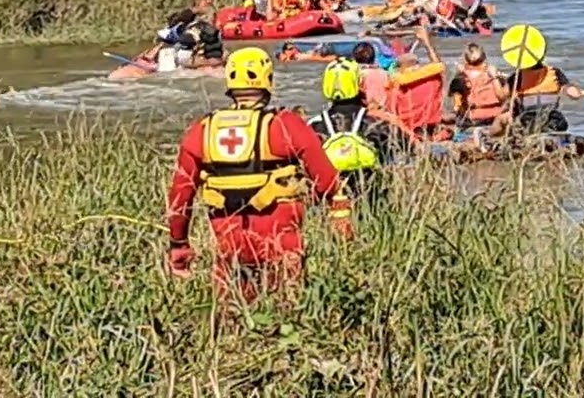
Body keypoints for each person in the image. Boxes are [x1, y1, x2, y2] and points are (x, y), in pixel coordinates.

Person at [165, 47, 354, 303]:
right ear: (268, 81)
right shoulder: (285, 124)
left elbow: (180, 195)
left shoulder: (202, 130)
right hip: (280, 237)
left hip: (228, 239)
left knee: (229, 310)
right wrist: (332, 210)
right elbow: (327, 179)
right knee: (287, 306)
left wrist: (179, 244)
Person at [308, 59, 412, 206]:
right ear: (359, 85)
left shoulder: (313, 126)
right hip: (372, 204)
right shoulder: (376, 123)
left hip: (329, 204)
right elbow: (409, 148)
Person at [448, 43, 509, 129]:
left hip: (474, 118)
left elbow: (457, 106)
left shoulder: (461, 78)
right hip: (495, 116)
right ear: (484, 58)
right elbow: (502, 97)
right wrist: (495, 77)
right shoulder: (494, 74)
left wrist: (458, 73)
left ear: (465, 60)